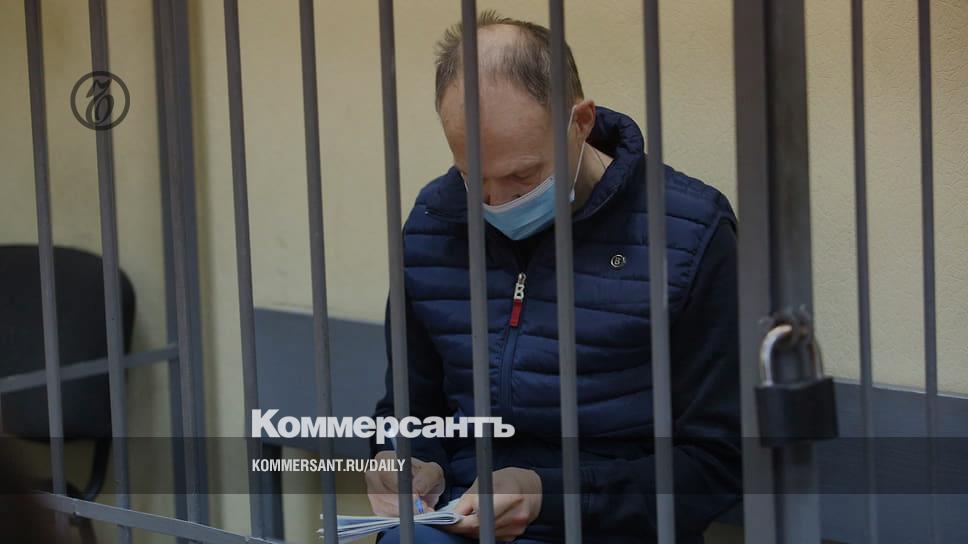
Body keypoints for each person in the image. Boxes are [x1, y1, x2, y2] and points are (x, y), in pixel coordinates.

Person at [366, 11, 741, 543]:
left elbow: (717, 463)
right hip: (463, 519)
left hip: (614, 527)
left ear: (580, 121)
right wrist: (405, 462)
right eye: (473, 176)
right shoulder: (435, 221)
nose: (496, 202)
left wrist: (551, 496)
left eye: (521, 175)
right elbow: (410, 410)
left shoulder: (686, 232)